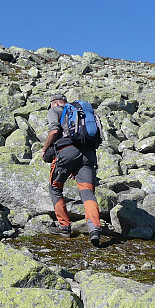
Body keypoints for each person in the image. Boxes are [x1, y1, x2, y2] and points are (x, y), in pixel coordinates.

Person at [40, 93, 102, 246]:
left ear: (54, 103)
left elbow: (54, 131)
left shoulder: (55, 110)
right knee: (87, 191)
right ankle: (94, 228)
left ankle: (64, 226)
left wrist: (44, 149)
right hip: (88, 154)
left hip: (67, 151)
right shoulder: (82, 111)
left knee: (55, 187)